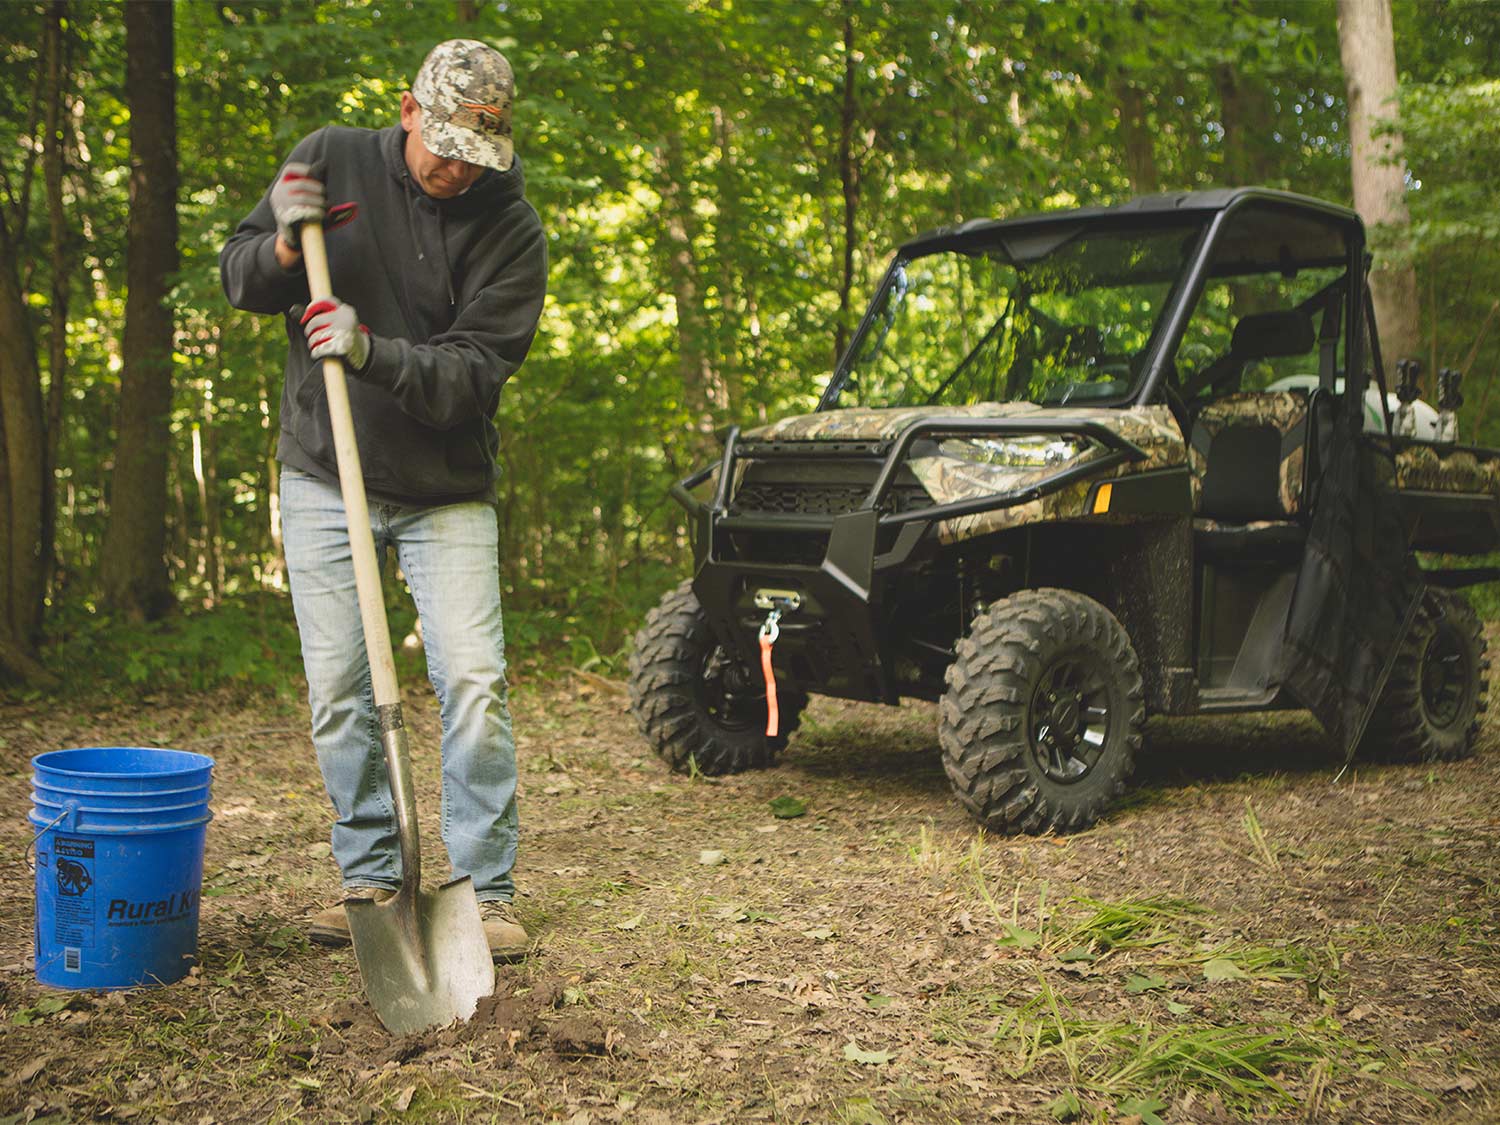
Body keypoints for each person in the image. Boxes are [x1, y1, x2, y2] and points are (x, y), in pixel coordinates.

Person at [219, 39, 547, 960]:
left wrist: (370, 352)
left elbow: (475, 375)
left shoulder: (512, 228)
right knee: (338, 690)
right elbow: (240, 275)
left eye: (475, 155)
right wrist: (286, 244)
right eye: (441, 144)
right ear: (407, 110)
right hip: (326, 470)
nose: (454, 168)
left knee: (473, 684)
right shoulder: (330, 157)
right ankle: (370, 873)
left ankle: (484, 889)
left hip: (446, 489)